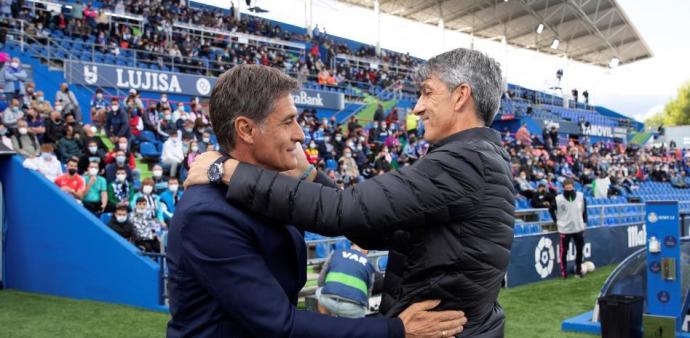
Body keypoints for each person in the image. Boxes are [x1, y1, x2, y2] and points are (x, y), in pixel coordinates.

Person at [185, 49, 513, 336]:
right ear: (245, 129)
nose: (416, 108)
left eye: (427, 93)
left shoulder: (465, 162)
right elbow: (373, 229)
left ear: (460, 96)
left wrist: (226, 169)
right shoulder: (474, 159)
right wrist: (310, 174)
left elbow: (346, 210)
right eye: (289, 122)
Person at [316, 244, 375, 318]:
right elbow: (368, 293)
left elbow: (320, 280)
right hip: (353, 308)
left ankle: (326, 321)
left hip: (329, 301)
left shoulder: (336, 253)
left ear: (352, 246)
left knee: (319, 290)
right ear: (366, 251)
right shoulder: (369, 264)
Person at [551, 178, 587, 279]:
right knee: (564, 251)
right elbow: (550, 209)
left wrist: (584, 222)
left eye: (570, 187)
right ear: (564, 188)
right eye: (567, 188)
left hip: (578, 228)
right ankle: (564, 273)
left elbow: (584, 210)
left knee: (580, 250)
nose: (569, 189)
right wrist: (556, 221)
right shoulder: (558, 199)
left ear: (573, 187)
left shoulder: (580, 196)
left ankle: (578, 271)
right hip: (565, 229)